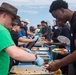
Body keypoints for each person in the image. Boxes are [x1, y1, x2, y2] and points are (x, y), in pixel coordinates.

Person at [0, 2, 44, 75]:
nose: (13, 22)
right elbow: (15, 54)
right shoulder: (2, 30)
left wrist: (23, 50)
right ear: (4, 15)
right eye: (12, 19)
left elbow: (7, 48)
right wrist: (35, 57)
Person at [46, 0, 76, 74]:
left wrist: (58, 64)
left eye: (56, 16)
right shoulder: (72, 22)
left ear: (62, 10)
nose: (57, 20)